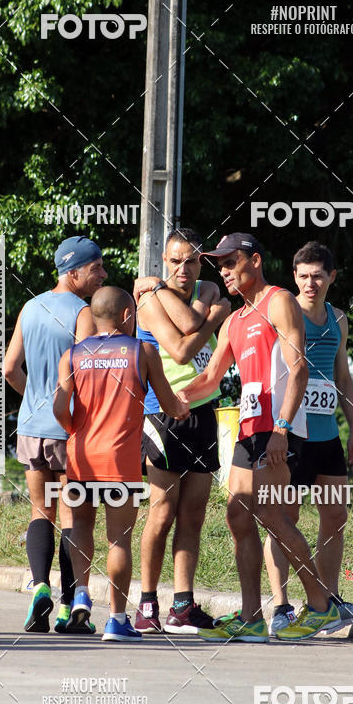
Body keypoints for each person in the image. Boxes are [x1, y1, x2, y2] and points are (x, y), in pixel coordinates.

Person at [179, 232, 341, 642]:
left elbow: (299, 367)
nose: (224, 271)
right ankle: (251, 617)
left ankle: (321, 606)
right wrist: (174, 398)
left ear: (254, 261)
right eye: (220, 265)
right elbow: (210, 379)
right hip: (248, 429)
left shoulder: (279, 300)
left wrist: (283, 429)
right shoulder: (234, 320)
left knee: (271, 513)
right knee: (237, 515)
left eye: (230, 262)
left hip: (277, 428)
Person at [53, 287, 190, 640]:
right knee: (119, 540)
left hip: (82, 457)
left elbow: (59, 408)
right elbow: (167, 404)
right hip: (120, 461)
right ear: (128, 316)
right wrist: (182, 408)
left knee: (80, 526)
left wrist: (75, 430)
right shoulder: (142, 351)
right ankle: (116, 619)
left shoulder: (72, 355)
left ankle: (81, 593)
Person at [264, 241, 353, 634]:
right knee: (284, 519)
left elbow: (342, 376)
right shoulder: (284, 313)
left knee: (335, 514)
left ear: (332, 277)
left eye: (317, 276)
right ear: (294, 277)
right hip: (292, 435)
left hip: (327, 436)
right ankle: (280, 607)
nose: (310, 283)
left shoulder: (338, 318)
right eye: (303, 276)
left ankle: (328, 602)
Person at [3, 236, 106, 633]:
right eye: (96, 268)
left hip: (31, 427)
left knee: (39, 511)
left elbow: (10, 369)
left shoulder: (30, 307)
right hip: (68, 429)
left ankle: (39, 586)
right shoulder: (83, 313)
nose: (103, 274)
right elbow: (85, 376)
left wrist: (36, 398)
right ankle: (66, 608)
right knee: (72, 516)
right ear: (74, 272)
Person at [132, 228, 231, 633]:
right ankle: (147, 604)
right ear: (163, 262)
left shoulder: (206, 288)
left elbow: (193, 317)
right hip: (163, 412)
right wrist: (216, 317)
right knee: (161, 512)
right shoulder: (150, 299)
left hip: (203, 410)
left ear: (201, 262)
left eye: (191, 261)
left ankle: (183, 605)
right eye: (175, 261)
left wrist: (208, 310)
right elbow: (179, 350)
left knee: (193, 513)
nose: (183, 269)